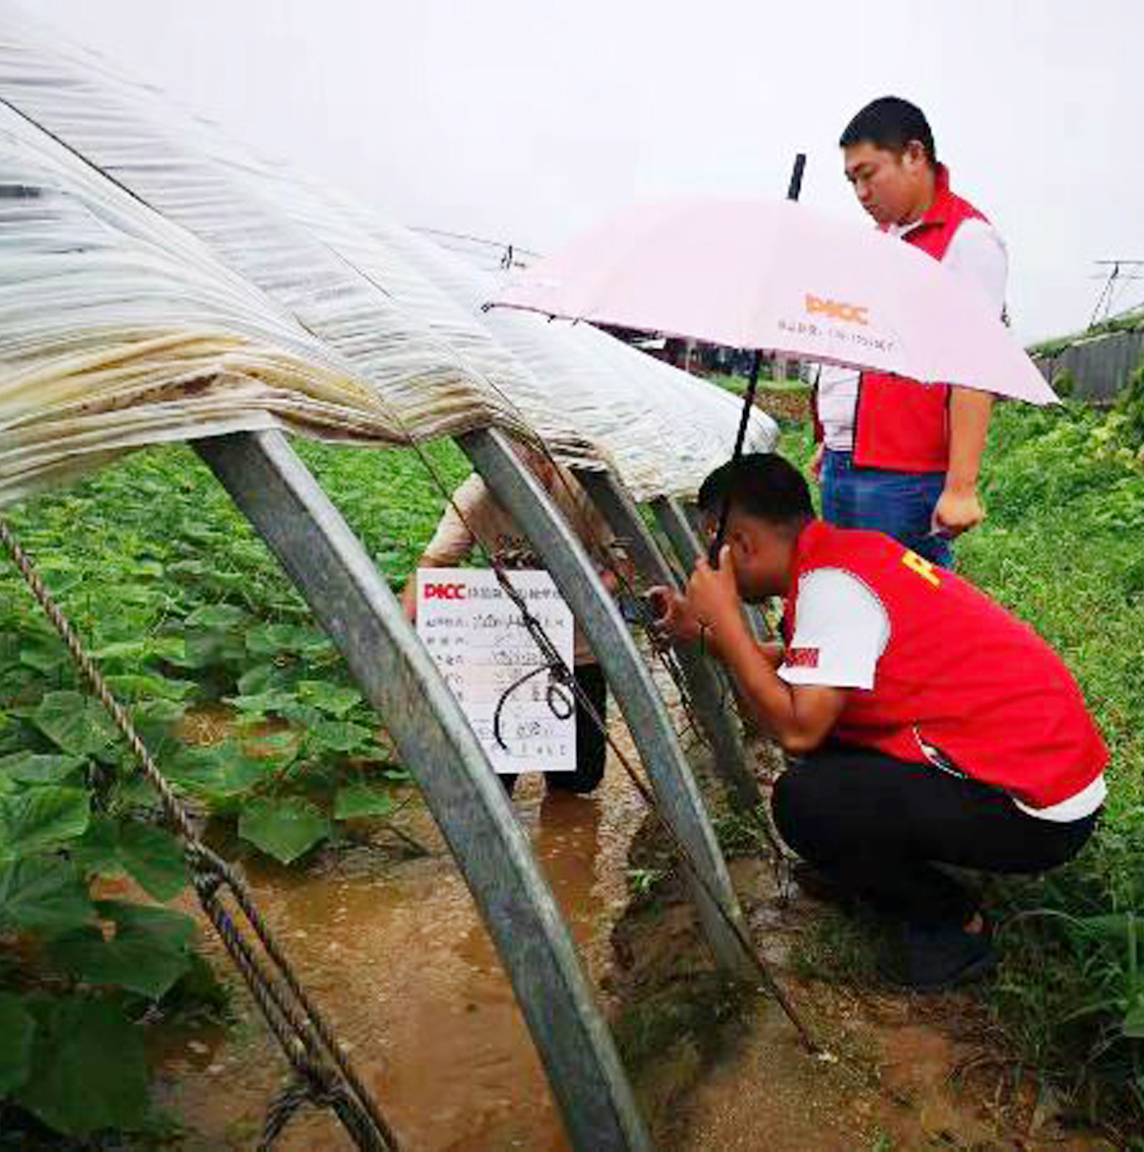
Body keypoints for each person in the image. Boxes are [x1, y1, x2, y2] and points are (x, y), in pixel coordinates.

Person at [651, 454, 1106, 990]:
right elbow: (806, 665)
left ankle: (953, 923)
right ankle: (869, 865)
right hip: (1039, 769)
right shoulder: (846, 558)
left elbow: (799, 728)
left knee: (805, 802)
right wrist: (703, 632)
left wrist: (727, 622)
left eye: (713, 539)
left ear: (742, 542)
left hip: (1036, 813)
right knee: (827, 763)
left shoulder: (832, 589)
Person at [809, 96, 1008, 568]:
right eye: (851, 180)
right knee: (848, 599)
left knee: (902, 617)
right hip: (843, 463)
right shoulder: (883, 241)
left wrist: (961, 486)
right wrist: (836, 435)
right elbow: (865, 347)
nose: (860, 192)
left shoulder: (967, 240)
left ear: (915, 156)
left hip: (905, 476)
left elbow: (977, 364)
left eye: (867, 173)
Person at [401, 450, 618, 796]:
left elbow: (618, 568)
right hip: (506, 647)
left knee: (578, 780)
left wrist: (572, 605)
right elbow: (435, 565)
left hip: (576, 647)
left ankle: (563, 826)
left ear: (546, 465)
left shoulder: (581, 489)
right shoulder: (476, 495)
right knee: (493, 777)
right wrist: (402, 632)